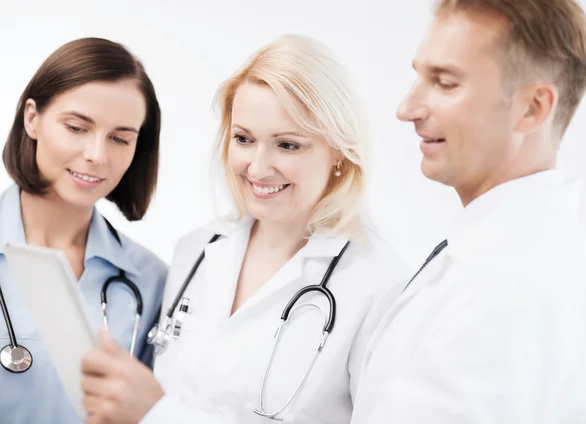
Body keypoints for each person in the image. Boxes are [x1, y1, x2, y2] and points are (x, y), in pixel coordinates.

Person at [80, 34, 408, 424]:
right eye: (243, 139)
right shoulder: (197, 251)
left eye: (287, 145)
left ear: (338, 151)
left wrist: (158, 413)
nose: (257, 167)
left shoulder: (381, 285)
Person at [351, 0, 586, 423]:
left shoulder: (507, 283)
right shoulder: (522, 252)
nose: (406, 108)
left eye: (445, 83)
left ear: (532, 108)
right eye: (420, 77)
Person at [0, 38, 167, 424]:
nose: (97, 154)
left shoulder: (150, 282)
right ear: (32, 118)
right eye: (77, 127)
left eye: (120, 138)